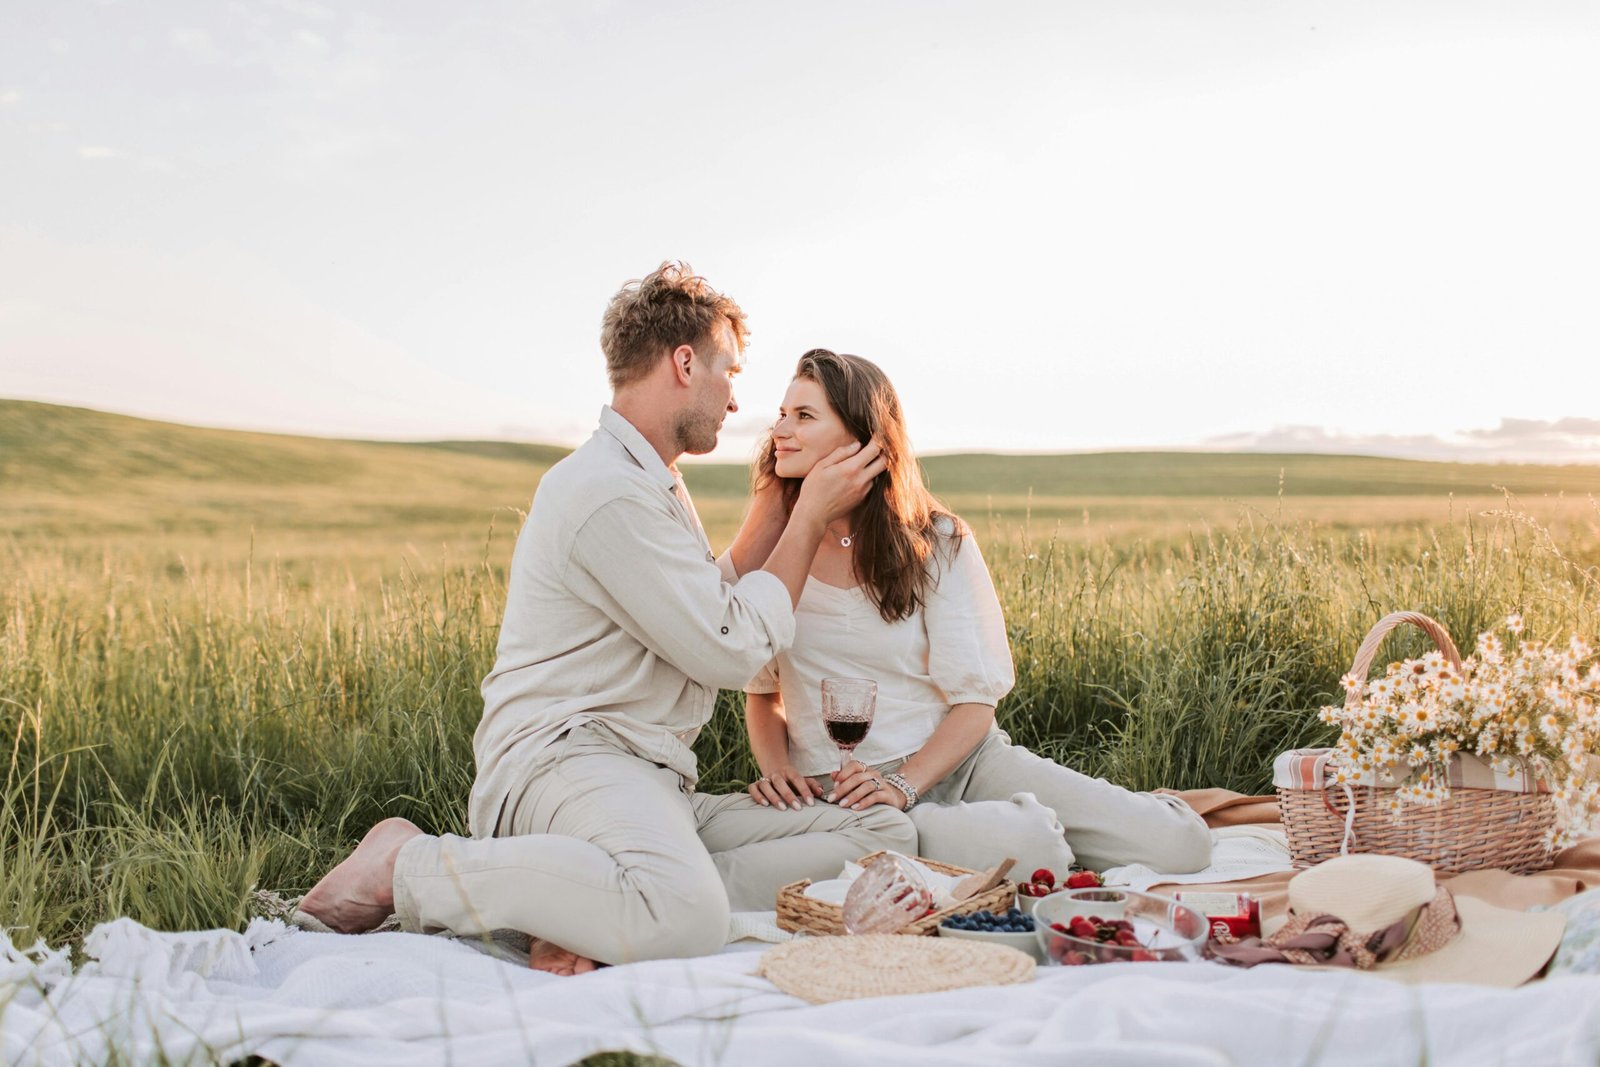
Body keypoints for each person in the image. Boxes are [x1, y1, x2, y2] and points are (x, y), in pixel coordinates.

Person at [301, 266, 916, 975]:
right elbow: (726, 647)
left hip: (643, 778)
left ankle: (579, 904)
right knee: (686, 914)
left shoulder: (651, 479)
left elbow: (694, 606)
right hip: (565, 762)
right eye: (728, 370)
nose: (737, 397)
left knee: (877, 825)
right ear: (684, 363)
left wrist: (771, 514)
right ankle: (405, 865)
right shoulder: (605, 491)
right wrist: (807, 520)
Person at [736, 349, 1212, 874]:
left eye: (804, 416)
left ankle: (1042, 822)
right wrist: (778, 769)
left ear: (862, 438)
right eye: (782, 413)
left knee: (1179, 846)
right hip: (847, 794)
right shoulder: (771, 555)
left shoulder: (935, 541)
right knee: (1034, 852)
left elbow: (974, 703)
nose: (779, 429)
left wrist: (902, 784)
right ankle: (993, 835)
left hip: (963, 762)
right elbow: (762, 689)